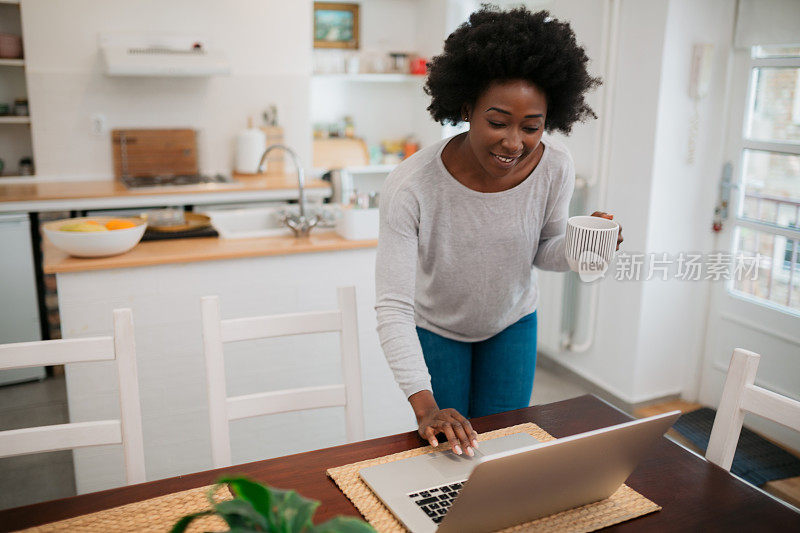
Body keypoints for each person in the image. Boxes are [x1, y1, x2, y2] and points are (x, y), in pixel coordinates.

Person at [375, 6, 623, 458]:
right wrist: (424, 406)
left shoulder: (556, 166)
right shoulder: (412, 186)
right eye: (497, 122)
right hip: (438, 327)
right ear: (466, 108)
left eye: (532, 126)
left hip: (512, 324)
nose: (514, 142)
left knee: (503, 450)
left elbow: (543, 249)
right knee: (446, 450)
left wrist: (583, 249)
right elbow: (392, 305)